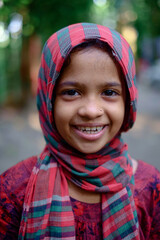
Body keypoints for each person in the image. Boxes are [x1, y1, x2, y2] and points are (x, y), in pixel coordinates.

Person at [0, 23, 160, 240]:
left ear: (128, 100)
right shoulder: (12, 191)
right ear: (49, 100)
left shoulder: (151, 188)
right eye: (72, 92)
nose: (91, 111)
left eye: (109, 92)